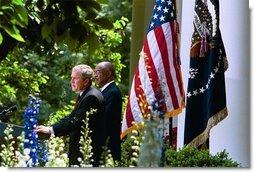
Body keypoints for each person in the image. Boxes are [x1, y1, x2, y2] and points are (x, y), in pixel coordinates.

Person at [35, 64, 106, 167]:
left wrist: (51, 130)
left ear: (86, 81)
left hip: (86, 154)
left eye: (75, 78)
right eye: (71, 78)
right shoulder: (86, 94)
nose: (71, 81)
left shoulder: (91, 97)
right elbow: (71, 117)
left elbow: (75, 122)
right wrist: (50, 128)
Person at [94, 61, 122, 162]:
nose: (95, 75)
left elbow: (105, 118)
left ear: (109, 73)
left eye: (98, 72)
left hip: (108, 146)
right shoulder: (105, 91)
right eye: (94, 72)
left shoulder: (113, 92)